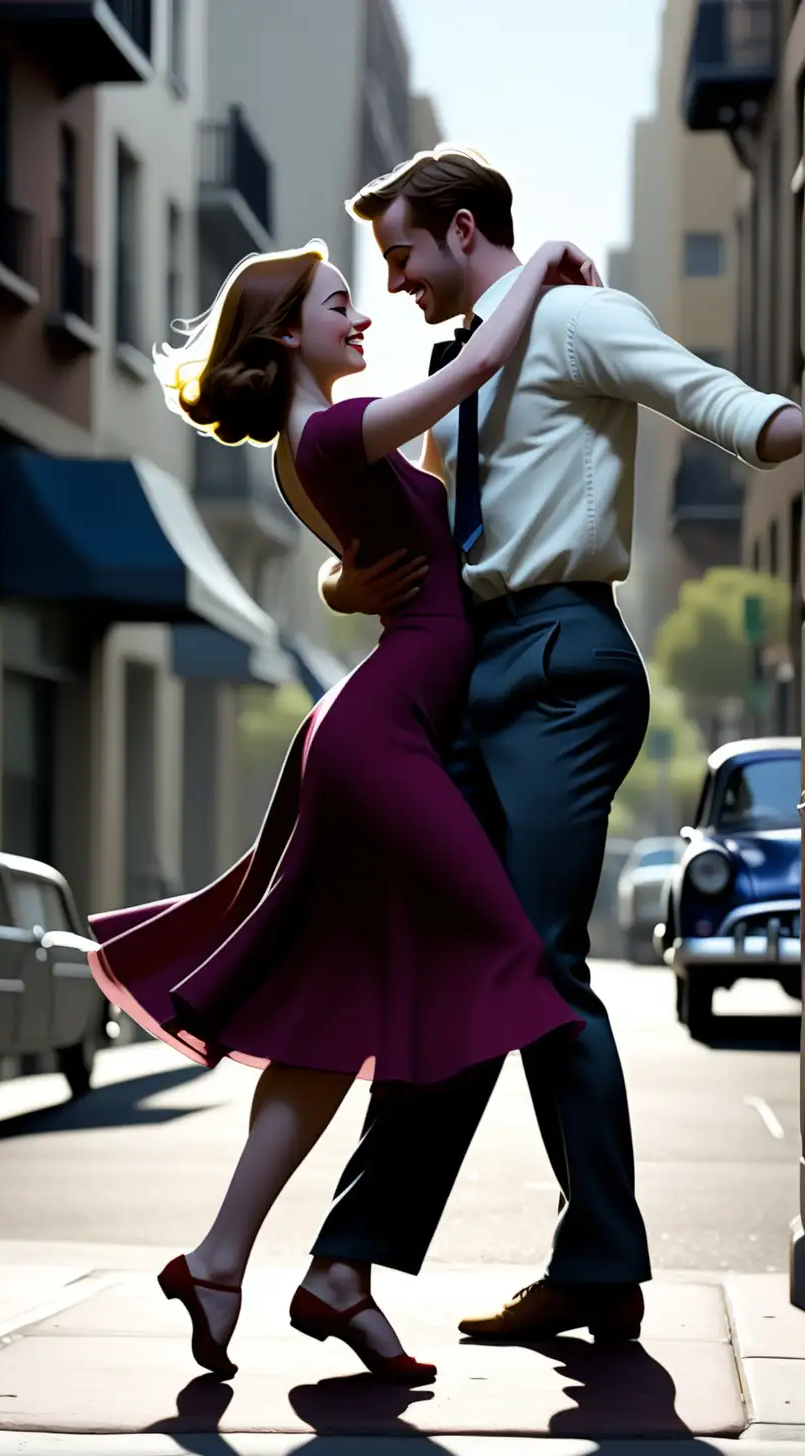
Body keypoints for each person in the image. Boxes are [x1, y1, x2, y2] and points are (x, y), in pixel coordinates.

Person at [293, 146, 804, 1346]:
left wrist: (788, 423)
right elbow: (401, 538)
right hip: (473, 669)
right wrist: (338, 581)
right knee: (455, 960)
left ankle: (591, 1264)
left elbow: (734, 413)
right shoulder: (457, 368)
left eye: (403, 252)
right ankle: (351, 1263)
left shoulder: (578, 317)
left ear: (464, 230)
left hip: (564, 661)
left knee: (530, 956)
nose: (396, 281)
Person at [85, 236, 599, 1385]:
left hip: (385, 726)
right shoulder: (321, 432)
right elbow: (463, 381)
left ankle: (245, 1262)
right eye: (337, 303)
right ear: (286, 334)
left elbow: (427, 459)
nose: (360, 315)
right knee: (505, 958)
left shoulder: (330, 435)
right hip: (381, 742)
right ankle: (376, 1260)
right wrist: (542, 270)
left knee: (332, 1016)